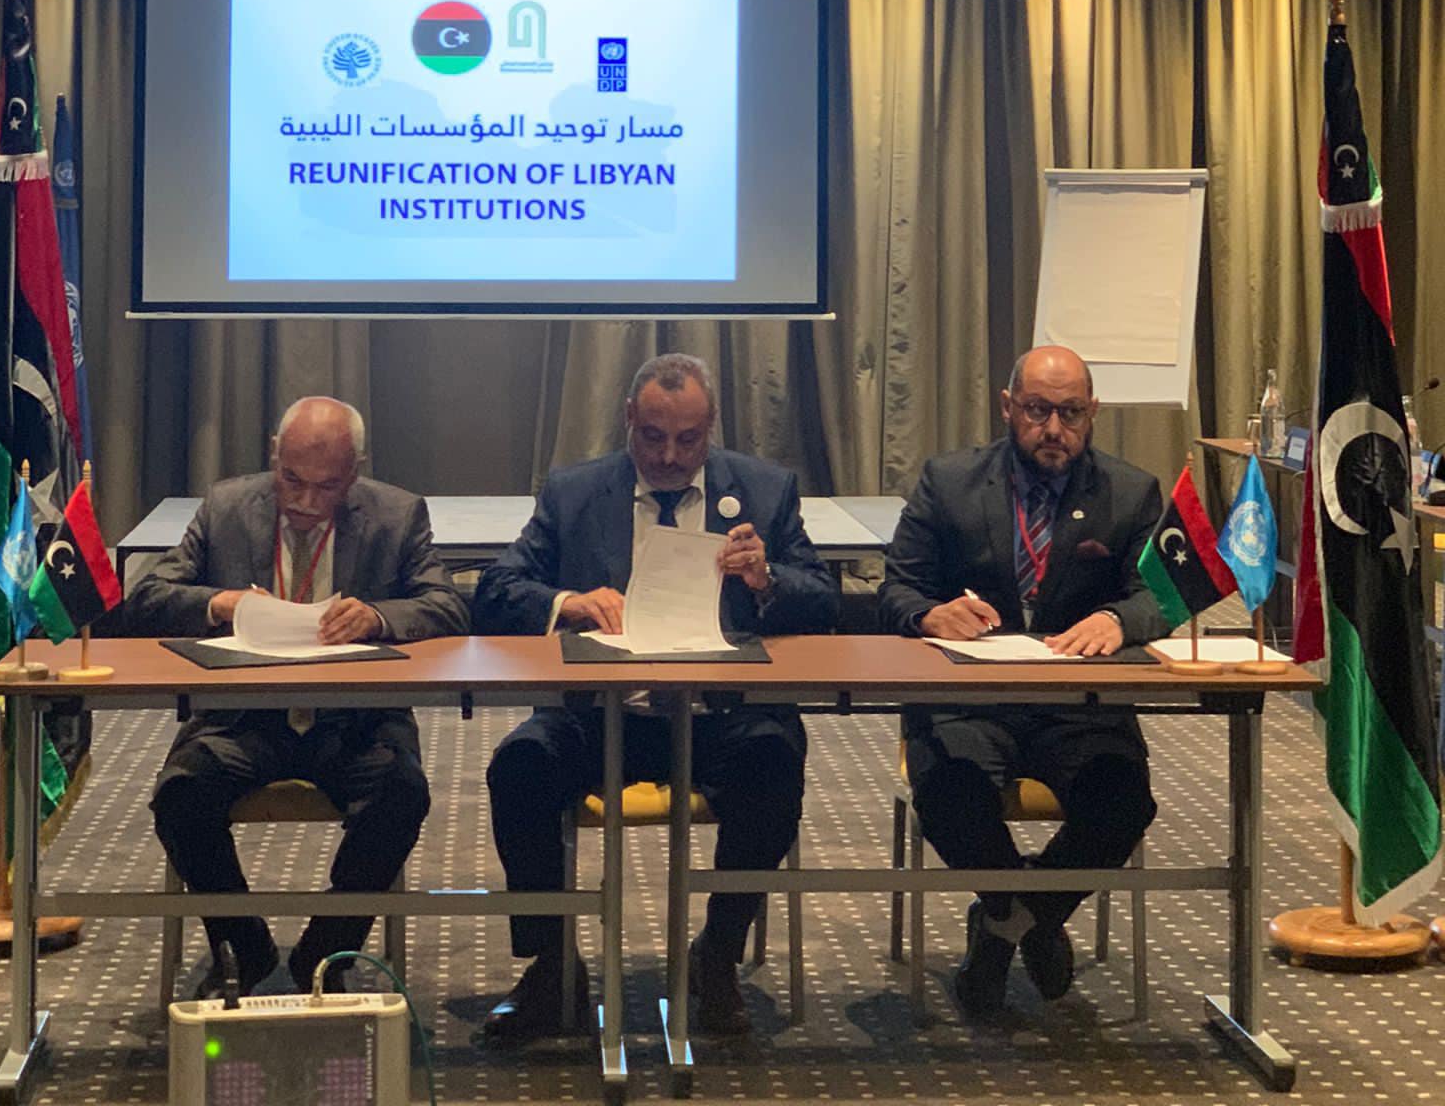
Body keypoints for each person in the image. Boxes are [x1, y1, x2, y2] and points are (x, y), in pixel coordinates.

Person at [473, 352, 839, 1044]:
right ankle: (552, 966)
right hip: (599, 712)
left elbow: (825, 601)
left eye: (688, 440)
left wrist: (766, 579)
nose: (669, 457)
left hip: (719, 715)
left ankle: (718, 956)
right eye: (653, 437)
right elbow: (496, 592)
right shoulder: (575, 492)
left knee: (774, 759)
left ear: (712, 428)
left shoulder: (764, 489)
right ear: (628, 420)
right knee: (519, 766)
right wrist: (567, 601)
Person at [131, 396, 468, 995]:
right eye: (292, 480)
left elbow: (448, 605)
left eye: (328, 485)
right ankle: (249, 951)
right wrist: (218, 603)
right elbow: (148, 597)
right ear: (273, 456)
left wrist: (378, 617)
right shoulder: (227, 506)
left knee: (402, 795)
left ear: (355, 471)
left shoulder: (397, 514)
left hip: (355, 722)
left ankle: (325, 956)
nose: (307, 501)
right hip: (243, 720)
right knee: (181, 796)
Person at [878, 345, 1164, 1018]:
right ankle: (1022, 915)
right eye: (1037, 411)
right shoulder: (949, 481)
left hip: (1081, 705)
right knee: (950, 792)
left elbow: (1159, 594)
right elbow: (896, 588)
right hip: (970, 702)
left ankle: (1010, 921)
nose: (1053, 429)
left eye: (1071, 413)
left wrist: (1119, 620)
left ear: (1093, 413)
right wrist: (929, 614)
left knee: (1123, 801)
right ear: (1008, 407)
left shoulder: (1130, 491)